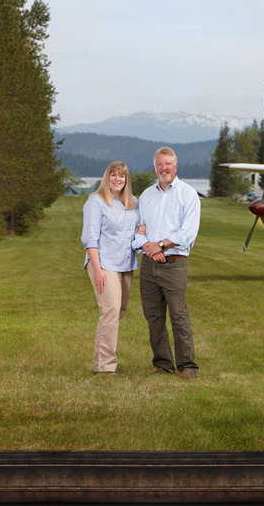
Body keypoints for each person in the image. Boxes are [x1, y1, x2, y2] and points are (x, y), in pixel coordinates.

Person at [133, 146, 201, 378]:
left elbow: (187, 233)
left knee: (178, 315)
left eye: (168, 164)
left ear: (175, 166)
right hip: (149, 265)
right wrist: (150, 248)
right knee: (153, 317)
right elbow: (139, 231)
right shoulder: (146, 196)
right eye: (160, 164)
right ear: (155, 168)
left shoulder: (188, 194)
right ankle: (163, 365)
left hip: (174, 264)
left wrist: (160, 245)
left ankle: (188, 366)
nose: (164, 168)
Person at [81, 161, 142, 375]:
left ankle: (103, 360)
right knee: (110, 312)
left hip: (126, 265)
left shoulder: (134, 203)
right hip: (104, 264)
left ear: (127, 179)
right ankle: (105, 367)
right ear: (107, 177)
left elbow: (139, 229)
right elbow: (90, 239)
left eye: (122, 176)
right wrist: (97, 270)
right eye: (113, 175)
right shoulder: (96, 201)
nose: (117, 179)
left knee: (118, 312)